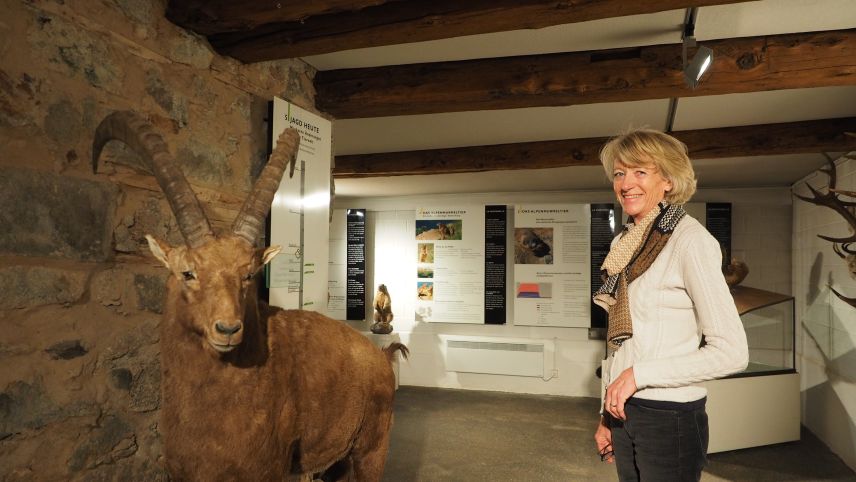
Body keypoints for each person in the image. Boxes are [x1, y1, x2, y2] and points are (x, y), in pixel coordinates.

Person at [592, 128, 749, 481]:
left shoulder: (689, 240)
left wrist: (638, 376)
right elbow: (622, 343)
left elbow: (733, 352)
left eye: (640, 172)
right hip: (624, 412)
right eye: (619, 173)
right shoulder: (625, 242)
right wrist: (605, 412)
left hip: (669, 416)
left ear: (668, 181)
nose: (626, 183)